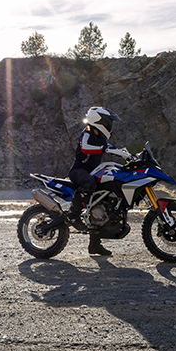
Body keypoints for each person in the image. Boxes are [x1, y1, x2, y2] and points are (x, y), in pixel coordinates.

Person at [67, 106, 121, 256]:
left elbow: (108, 147)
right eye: (107, 121)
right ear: (98, 121)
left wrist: (123, 153)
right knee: (89, 182)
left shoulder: (101, 138)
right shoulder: (86, 134)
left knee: (100, 202)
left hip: (91, 172)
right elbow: (85, 148)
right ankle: (73, 214)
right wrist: (104, 149)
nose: (110, 125)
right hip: (78, 171)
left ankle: (95, 245)